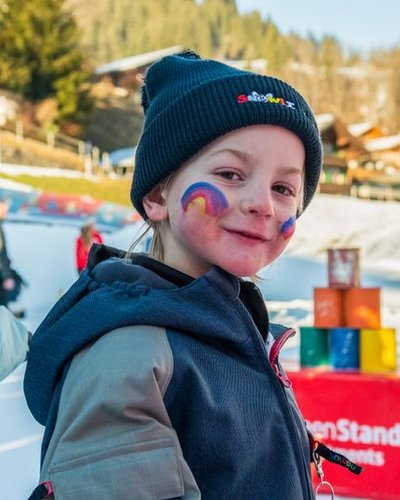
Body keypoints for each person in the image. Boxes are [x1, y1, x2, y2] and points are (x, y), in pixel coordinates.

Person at [24, 50, 355, 499]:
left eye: (283, 188)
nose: (264, 203)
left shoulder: (233, 330)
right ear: (158, 194)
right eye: (231, 173)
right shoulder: (130, 355)